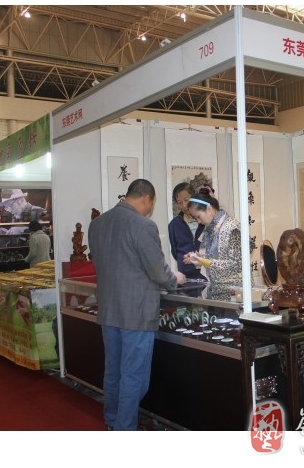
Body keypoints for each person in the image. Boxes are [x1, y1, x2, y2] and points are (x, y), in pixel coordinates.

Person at [88, 179, 186, 431]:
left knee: (113, 371)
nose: (150, 209)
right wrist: (175, 278)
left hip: (109, 310)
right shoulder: (143, 226)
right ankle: (125, 429)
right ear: (146, 199)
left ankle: (112, 420)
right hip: (137, 313)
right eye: (151, 204)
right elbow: (158, 270)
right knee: (134, 376)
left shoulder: (97, 224)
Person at [184, 192, 243, 300]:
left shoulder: (232, 228)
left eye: (198, 217)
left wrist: (205, 262)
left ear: (209, 209)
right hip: (216, 293)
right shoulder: (209, 231)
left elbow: (237, 265)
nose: (199, 222)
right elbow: (213, 258)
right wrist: (198, 259)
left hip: (235, 295)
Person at [168, 182, 207, 281]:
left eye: (186, 200)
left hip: (207, 275)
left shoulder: (205, 220)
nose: (184, 205)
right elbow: (175, 252)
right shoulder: (174, 225)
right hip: (186, 278)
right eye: (179, 202)